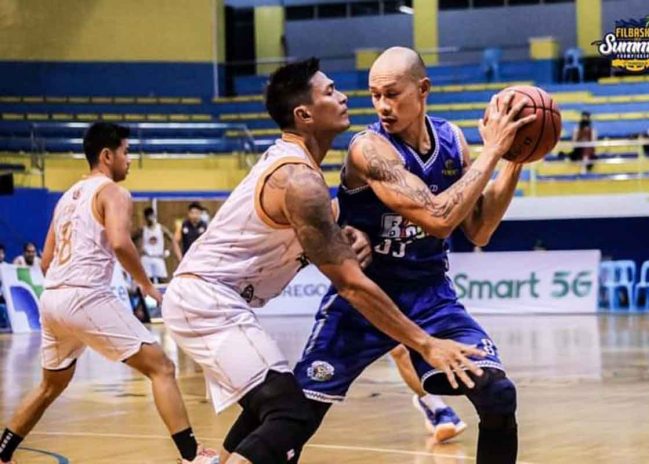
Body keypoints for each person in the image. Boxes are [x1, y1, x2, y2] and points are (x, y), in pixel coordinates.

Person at [161, 58, 485, 464]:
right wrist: (425, 342)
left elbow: (320, 225)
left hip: (220, 301)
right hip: (205, 301)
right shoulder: (298, 180)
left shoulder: (302, 174)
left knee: (274, 408)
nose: (344, 96)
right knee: (290, 415)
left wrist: (353, 232)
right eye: (330, 92)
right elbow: (350, 284)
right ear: (305, 115)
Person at [289, 47, 534, 464]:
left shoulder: (452, 140)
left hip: (430, 295)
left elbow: (478, 228)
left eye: (392, 94)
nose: (382, 106)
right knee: (295, 418)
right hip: (366, 297)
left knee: (498, 393)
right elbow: (438, 219)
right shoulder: (369, 148)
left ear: (423, 90)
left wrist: (514, 160)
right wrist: (492, 151)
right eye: (374, 96)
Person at [0, 123, 218, 464]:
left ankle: (3, 452)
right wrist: (145, 284)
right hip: (84, 295)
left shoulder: (66, 199)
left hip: (53, 299)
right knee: (161, 366)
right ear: (107, 155)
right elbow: (119, 241)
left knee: (49, 386)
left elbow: (44, 261)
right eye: (126, 152)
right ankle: (193, 456)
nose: (129, 160)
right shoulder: (113, 192)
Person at [134, 206, 182, 283]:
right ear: (145, 218)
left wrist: (168, 251)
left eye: (151, 216)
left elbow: (173, 239)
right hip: (147, 257)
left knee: (163, 280)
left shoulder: (161, 228)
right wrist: (138, 249)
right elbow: (132, 238)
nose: (150, 219)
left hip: (158, 257)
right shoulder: (142, 229)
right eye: (148, 217)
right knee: (147, 281)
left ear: (154, 216)